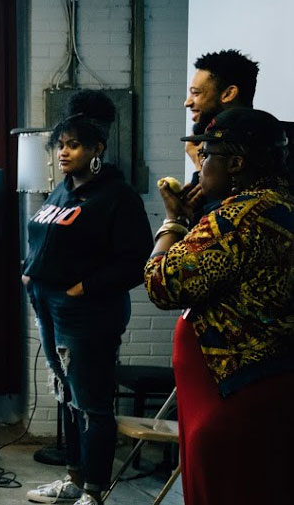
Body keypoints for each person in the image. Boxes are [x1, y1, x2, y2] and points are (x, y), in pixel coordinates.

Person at [145, 108, 294, 505]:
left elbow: (162, 284)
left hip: (232, 392)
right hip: (269, 383)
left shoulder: (236, 217)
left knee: (225, 489)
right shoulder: (280, 205)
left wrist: (173, 223)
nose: (201, 163)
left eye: (207, 155)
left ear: (236, 163)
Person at [22, 91, 152, 505]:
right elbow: (45, 238)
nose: (63, 153)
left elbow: (136, 262)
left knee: (92, 403)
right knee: (68, 397)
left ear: (97, 148)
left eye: (73, 145)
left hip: (87, 312)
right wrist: (30, 271)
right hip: (50, 305)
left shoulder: (117, 196)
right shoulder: (63, 191)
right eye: (61, 145)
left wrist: (84, 288)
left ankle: (93, 492)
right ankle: (74, 479)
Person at [185, 49, 261, 213]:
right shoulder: (266, 138)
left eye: (196, 93)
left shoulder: (262, 152)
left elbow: (209, 231)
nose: (187, 102)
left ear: (228, 94)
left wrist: (174, 220)